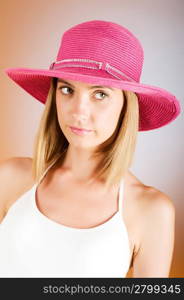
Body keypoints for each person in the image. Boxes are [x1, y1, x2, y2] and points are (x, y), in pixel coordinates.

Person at [0, 20, 181, 278]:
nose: (78, 112)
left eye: (100, 94)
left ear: (125, 106)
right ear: (54, 97)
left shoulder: (151, 210)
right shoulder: (9, 177)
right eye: (67, 89)